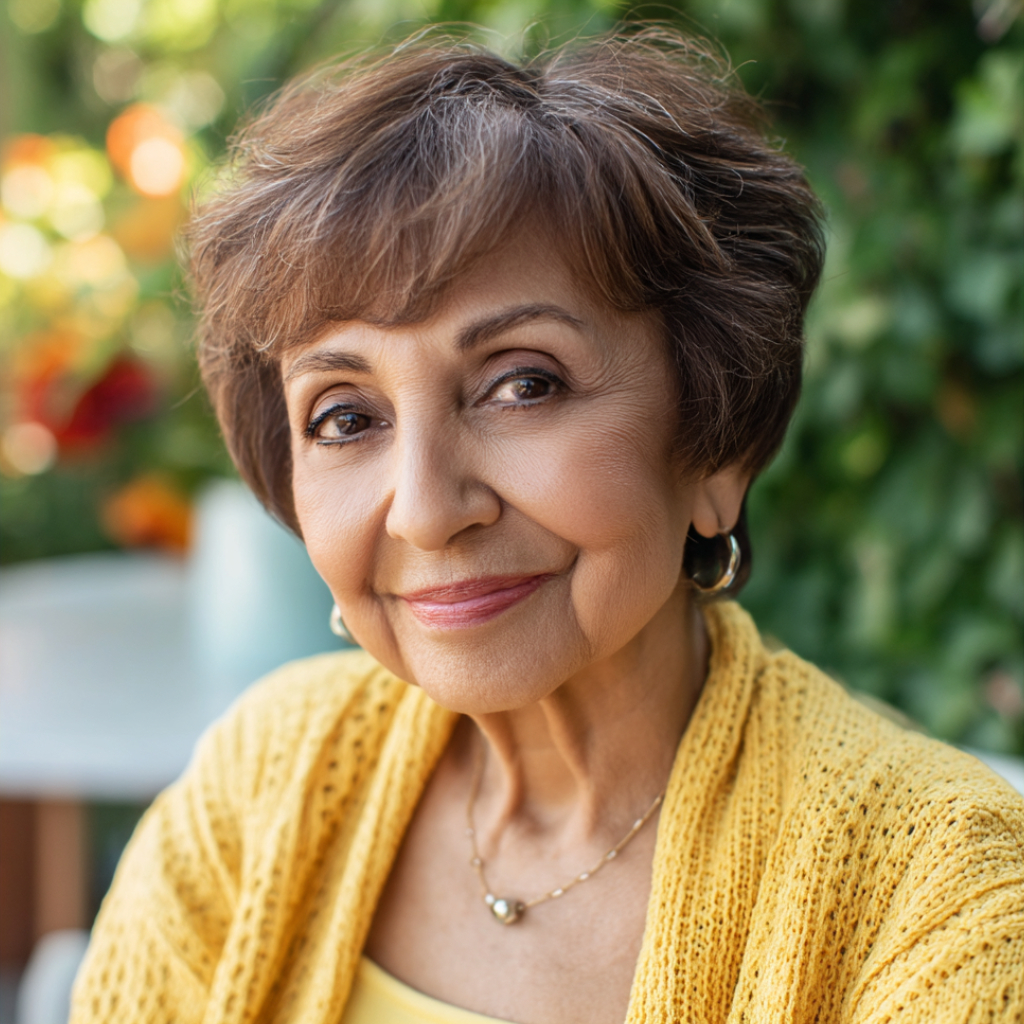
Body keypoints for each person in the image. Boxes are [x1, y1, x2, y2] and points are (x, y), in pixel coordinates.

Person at [71, 27, 1023, 1024]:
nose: (428, 509)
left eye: (522, 385)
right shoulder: (255, 790)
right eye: (346, 416)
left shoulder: (939, 893)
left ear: (714, 447)